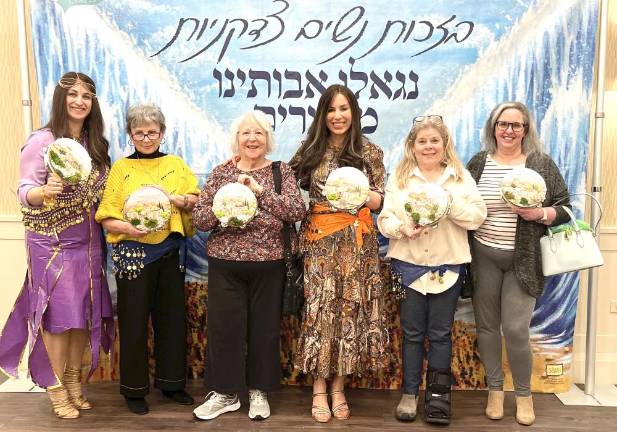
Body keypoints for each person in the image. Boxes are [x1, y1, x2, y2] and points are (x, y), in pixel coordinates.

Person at [0, 72, 114, 419]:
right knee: (58, 319)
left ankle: (73, 379)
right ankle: (54, 388)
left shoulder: (96, 146)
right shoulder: (43, 141)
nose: (80, 101)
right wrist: (44, 192)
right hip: (52, 245)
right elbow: (23, 191)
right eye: (74, 94)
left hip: (90, 244)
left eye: (87, 95)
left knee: (83, 315)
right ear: (60, 99)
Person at [191, 110, 305, 421]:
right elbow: (200, 220)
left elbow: (296, 210)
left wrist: (259, 192)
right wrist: (224, 206)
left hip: (270, 264)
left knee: (264, 331)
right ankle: (225, 394)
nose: (252, 139)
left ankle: (258, 391)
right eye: (246, 133)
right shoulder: (220, 173)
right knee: (224, 330)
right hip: (225, 264)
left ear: (267, 140)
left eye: (258, 133)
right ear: (237, 140)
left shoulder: (281, 171)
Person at [466, 101, 571, 426]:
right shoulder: (479, 163)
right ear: (493, 127)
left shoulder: (540, 163)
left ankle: (523, 395)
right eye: (503, 124)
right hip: (484, 255)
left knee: (514, 329)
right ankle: (495, 391)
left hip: (523, 260)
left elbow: (566, 209)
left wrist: (541, 214)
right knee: (486, 327)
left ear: (526, 130)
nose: (509, 130)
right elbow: (465, 205)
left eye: (516, 125)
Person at [289, 84, 389, 423]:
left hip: (359, 244)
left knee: (350, 312)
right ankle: (318, 387)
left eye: (344, 108)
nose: (338, 116)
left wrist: (366, 197)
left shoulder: (368, 151)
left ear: (354, 112)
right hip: (319, 242)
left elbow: (382, 200)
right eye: (331, 109)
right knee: (320, 310)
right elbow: (287, 186)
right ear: (322, 115)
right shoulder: (309, 151)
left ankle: (339, 387)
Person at [377, 115, 486, 424]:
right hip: (408, 266)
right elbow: (384, 221)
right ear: (413, 145)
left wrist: (448, 203)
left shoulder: (460, 178)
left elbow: (477, 217)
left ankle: (438, 398)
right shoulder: (400, 178)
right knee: (412, 333)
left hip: (447, 266)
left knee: (440, 334)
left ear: (444, 144)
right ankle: (410, 395)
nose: (428, 146)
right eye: (422, 141)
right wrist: (402, 229)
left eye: (434, 141)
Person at [95, 103, 199, 415]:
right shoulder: (121, 169)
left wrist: (184, 200)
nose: (146, 137)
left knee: (171, 319)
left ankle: (171, 384)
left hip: (169, 251)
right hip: (133, 253)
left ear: (162, 133)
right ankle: (134, 389)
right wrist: (128, 228)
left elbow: (195, 198)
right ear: (130, 135)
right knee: (134, 321)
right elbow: (106, 216)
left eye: (152, 132)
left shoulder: (176, 164)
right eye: (139, 132)